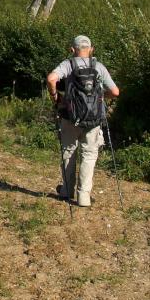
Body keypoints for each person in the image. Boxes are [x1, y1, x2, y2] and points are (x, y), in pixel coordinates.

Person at [46, 34, 120, 207]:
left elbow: (51, 79)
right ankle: (84, 197)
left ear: (72, 50)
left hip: (70, 117)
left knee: (69, 151)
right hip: (93, 119)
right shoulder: (99, 67)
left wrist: (56, 97)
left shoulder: (68, 64)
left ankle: (66, 191)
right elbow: (115, 92)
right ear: (91, 49)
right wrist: (101, 97)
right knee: (89, 155)